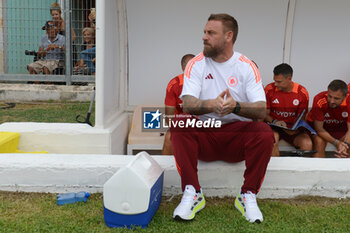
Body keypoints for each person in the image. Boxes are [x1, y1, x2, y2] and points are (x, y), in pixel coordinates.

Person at [171, 14, 274, 223]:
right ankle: (193, 192)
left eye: (211, 33)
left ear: (228, 36)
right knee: (180, 122)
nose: (204, 37)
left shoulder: (246, 66)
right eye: (204, 32)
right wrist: (212, 104)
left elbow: (261, 110)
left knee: (264, 133)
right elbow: (188, 104)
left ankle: (247, 195)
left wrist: (235, 106)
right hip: (206, 135)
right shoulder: (196, 64)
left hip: (235, 138)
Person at [264, 63, 312, 156]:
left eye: (279, 81)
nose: (275, 84)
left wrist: (294, 127)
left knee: (307, 144)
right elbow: (264, 114)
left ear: (289, 78)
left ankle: (298, 170)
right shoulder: (269, 89)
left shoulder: (302, 92)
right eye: (275, 80)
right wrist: (275, 121)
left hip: (292, 129)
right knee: (273, 139)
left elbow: (302, 117)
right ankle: (275, 170)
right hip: (274, 126)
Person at [307, 80, 350, 158]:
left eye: (336, 98)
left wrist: (345, 144)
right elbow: (319, 129)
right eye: (329, 96)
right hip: (321, 129)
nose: (331, 101)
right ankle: (317, 169)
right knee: (319, 142)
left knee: (347, 146)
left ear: (345, 96)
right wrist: (337, 143)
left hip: (340, 128)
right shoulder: (319, 99)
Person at [162, 54, 195, 155]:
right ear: (183, 68)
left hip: (201, 123)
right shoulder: (174, 84)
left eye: (195, 66)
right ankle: (165, 169)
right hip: (180, 124)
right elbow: (169, 117)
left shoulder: (207, 82)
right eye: (189, 66)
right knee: (169, 137)